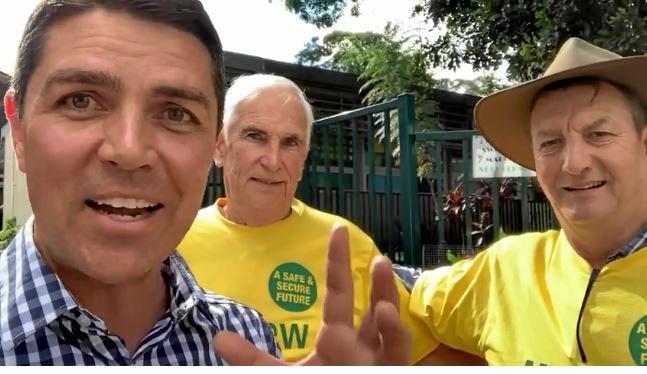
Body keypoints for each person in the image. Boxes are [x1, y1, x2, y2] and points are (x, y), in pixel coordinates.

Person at [0, 0, 409, 365]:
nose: (129, 150)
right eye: (80, 100)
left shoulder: (247, 338)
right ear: (17, 128)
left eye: (175, 113)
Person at [178, 73, 484, 365]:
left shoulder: (346, 243)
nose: (272, 161)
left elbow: (420, 356)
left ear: (303, 161)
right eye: (255, 136)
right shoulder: (172, 243)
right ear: (219, 147)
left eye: (290, 143)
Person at [408, 37, 647, 365]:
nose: (573, 163)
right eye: (550, 143)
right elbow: (406, 286)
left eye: (599, 135)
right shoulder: (505, 271)